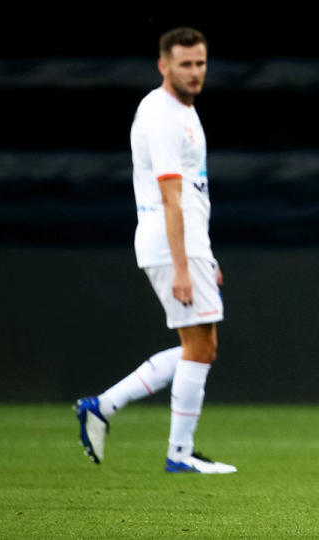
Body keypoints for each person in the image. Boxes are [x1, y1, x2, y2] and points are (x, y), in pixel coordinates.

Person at [74, 27, 235, 474]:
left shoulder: (182, 111)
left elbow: (193, 190)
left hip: (185, 243)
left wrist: (205, 255)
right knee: (199, 346)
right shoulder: (162, 115)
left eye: (200, 63)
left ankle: (103, 406)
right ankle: (177, 454)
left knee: (200, 345)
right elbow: (170, 197)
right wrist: (184, 266)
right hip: (170, 244)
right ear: (163, 65)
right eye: (185, 64)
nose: (195, 72)